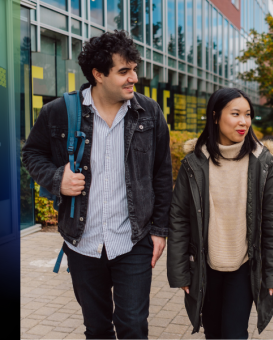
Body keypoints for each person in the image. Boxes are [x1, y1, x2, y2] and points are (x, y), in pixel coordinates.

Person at [22, 30, 173, 339]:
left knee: (133, 326)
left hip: (133, 239)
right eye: (124, 71)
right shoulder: (59, 112)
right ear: (98, 74)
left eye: (134, 68)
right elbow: (31, 152)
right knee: (97, 328)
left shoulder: (149, 113)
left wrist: (160, 230)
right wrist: (57, 179)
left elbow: (161, 173)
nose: (134, 78)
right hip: (83, 242)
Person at [167, 88, 273, 339]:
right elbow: (179, 219)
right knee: (212, 332)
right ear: (215, 117)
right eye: (235, 114)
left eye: (247, 114)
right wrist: (180, 271)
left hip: (244, 265)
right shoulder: (194, 163)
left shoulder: (262, 161)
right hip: (205, 265)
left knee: (234, 333)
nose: (244, 121)